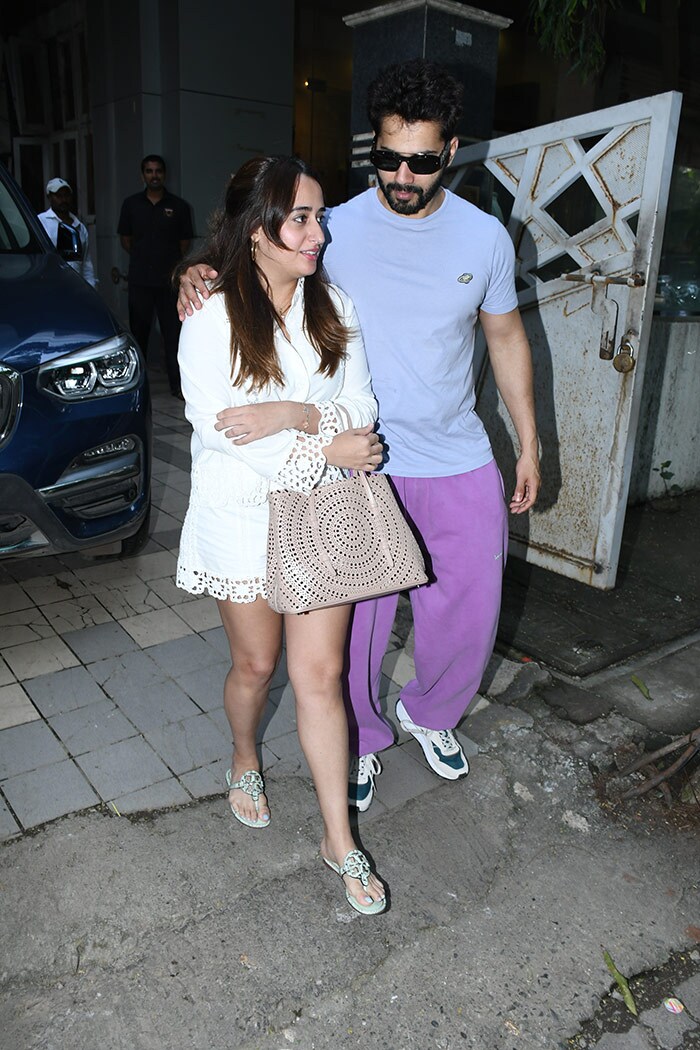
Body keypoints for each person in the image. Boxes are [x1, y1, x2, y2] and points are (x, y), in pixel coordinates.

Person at [178, 59, 541, 813]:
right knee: (353, 637)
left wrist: (529, 441)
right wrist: (196, 271)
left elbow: (505, 339)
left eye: (420, 160)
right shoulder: (332, 225)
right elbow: (258, 242)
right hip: (348, 466)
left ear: (452, 151)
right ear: (370, 148)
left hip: (454, 450)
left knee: (472, 608)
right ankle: (363, 740)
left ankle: (432, 712)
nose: (401, 175)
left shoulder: (485, 240)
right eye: (386, 157)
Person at [175, 155, 386, 915]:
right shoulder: (209, 315)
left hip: (323, 512)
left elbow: (361, 409)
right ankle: (243, 754)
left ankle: (339, 836)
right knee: (257, 665)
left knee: (320, 677)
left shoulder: (336, 306)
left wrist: (297, 419)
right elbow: (222, 429)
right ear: (254, 230)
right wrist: (323, 442)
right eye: (300, 217)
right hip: (241, 513)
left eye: (320, 215)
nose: (317, 232)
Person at [118, 155, 193, 398]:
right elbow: (126, 240)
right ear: (143, 175)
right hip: (140, 281)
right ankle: (136, 388)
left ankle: (177, 386)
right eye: (149, 171)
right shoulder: (131, 205)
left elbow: (184, 244)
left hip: (169, 283)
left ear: (164, 174)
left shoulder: (179, 206)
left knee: (174, 336)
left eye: (158, 171)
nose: (154, 175)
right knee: (139, 335)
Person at [38, 178, 97, 287]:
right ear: (50, 197)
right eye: (59, 196)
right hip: (50, 287)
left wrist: (91, 289)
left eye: (66, 195)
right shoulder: (41, 222)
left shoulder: (79, 227)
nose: (63, 199)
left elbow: (86, 265)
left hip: (76, 288)